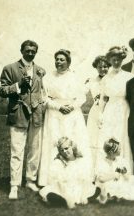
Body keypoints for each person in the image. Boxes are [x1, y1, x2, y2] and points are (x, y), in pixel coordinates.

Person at [0, 40, 46, 199]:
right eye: (28, 50)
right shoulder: (10, 68)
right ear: (21, 50)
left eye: (33, 51)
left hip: (36, 114)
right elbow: (2, 91)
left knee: (34, 149)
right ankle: (14, 185)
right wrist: (18, 84)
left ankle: (31, 180)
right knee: (17, 150)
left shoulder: (40, 70)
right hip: (18, 113)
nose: (30, 53)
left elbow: (42, 91)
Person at [38, 49, 92, 187]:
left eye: (62, 60)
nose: (58, 62)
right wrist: (58, 107)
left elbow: (82, 97)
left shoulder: (75, 77)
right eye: (57, 59)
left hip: (72, 115)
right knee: (54, 142)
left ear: (68, 62)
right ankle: (52, 179)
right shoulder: (48, 78)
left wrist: (72, 106)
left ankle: (75, 177)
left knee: (73, 143)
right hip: (54, 114)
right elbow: (44, 98)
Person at [98, 46, 134, 174]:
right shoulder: (106, 78)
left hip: (123, 109)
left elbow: (132, 97)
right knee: (108, 137)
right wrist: (100, 114)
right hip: (110, 109)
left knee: (121, 137)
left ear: (122, 59)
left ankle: (122, 170)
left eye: (119, 59)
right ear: (110, 60)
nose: (116, 62)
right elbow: (103, 98)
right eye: (114, 59)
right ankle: (107, 171)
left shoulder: (128, 76)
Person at [39, 137, 97, 209]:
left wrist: (84, 195)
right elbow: (59, 182)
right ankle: (64, 201)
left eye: (66, 148)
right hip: (63, 189)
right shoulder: (59, 162)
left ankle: (86, 199)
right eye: (62, 150)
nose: (65, 152)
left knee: (94, 190)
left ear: (72, 147)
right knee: (50, 193)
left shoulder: (80, 161)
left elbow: (85, 180)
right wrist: (67, 196)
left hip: (78, 187)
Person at [95, 138, 134, 204]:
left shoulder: (120, 160)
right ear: (112, 152)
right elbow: (101, 179)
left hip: (119, 181)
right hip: (107, 182)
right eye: (119, 149)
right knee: (110, 187)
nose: (120, 150)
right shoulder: (102, 162)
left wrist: (123, 172)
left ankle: (111, 196)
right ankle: (106, 195)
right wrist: (114, 175)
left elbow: (127, 177)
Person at [85, 55, 111, 170]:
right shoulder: (91, 81)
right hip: (95, 111)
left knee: (106, 138)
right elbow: (80, 92)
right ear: (96, 67)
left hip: (108, 110)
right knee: (94, 139)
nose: (103, 69)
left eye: (105, 66)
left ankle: (106, 167)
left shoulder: (112, 80)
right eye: (100, 67)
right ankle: (93, 167)